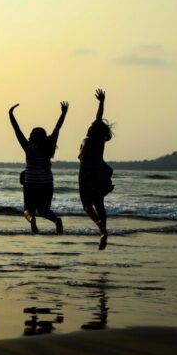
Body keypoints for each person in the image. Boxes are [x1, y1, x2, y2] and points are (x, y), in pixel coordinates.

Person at [9, 101, 68, 235]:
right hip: (47, 182)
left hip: (30, 182)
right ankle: (56, 220)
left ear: (32, 136)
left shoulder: (28, 147)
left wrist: (11, 115)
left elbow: (17, 131)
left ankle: (32, 220)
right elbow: (57, 129)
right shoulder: (49, 147)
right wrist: (64, 113)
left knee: (27, 211)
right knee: (44, 210)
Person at [79, 89, 114, 250]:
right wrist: (101, 102)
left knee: (87, 205)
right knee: (99, 204)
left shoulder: (88, 141)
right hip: (98, 173)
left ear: (91, 130)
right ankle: (103, 232)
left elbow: (98, 119)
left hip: (86, 174)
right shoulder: (100, 140)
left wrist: (101, 102)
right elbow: (98, 118)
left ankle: (99, 225)